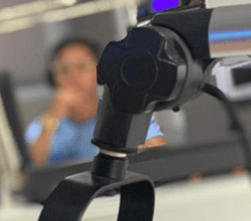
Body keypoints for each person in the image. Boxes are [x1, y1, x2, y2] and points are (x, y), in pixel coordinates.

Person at [25, 37, 168, 167]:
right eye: (64, 69)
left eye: (81, 67)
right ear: (54, 77)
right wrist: (52, 118)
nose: (73, 76)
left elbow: (162, 156)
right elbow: (28, 173)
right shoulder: (40, 126)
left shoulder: (126, 113)